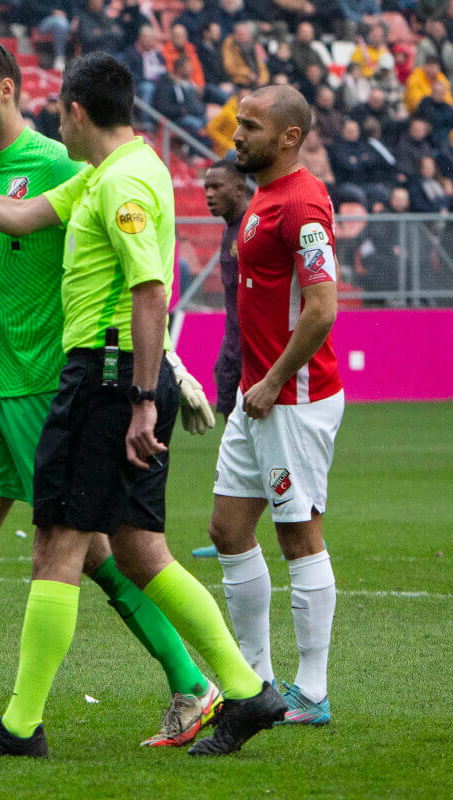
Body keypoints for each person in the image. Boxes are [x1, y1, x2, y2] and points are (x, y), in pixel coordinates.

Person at [0, 51, 283, 758]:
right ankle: (246, 689)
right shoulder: (108, 174)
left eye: (60, 114)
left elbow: (149, 290)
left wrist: (142, 395)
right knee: (138, 551)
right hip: (109, 377)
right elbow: (19, 216)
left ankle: (19, 728)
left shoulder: (125, 182)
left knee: (59, 544)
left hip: (105, 379)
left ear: (75, 112)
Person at [206, 84, 344, 727]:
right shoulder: (262, 193)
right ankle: (255, 683)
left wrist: (272, 381)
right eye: (239, 124)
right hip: (257, 397)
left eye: (251, 127)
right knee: (228, 531)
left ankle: (310, 693)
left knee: (298, 536)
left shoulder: (304, 205)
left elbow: (322, 311)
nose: (238, 136)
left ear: (289, 137)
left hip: (292, 397)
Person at [191, 160, 252, 560]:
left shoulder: (252, 228)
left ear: (239, 187)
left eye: (217, 186)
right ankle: (232, 531)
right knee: (236, 441)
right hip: (234, 348)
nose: (209, 193)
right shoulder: (231, 230)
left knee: (258, 444)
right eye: (205, 186)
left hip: (254, 352)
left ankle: (301, 525)